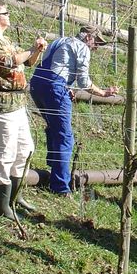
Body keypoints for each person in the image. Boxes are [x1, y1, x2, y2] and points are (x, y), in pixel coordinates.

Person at [0, 0, 47, 219]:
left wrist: (36, 51)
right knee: (5, 153)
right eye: (6, 13)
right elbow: (8, 62)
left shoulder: (3, 39)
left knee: (25, 149)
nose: (9, 16)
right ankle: (0, 203)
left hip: (16, 104)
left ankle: (15, 196)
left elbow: (27, 62)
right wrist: (31, 49)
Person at [29, 26, 119, 195]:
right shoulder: (82, 47)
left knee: (54, 127)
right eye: (96, 42)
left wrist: (65, 85)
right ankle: (60, 187)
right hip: (55, 88)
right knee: (65, 137)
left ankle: (54, 169)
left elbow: (54, 66)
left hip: (37, 84)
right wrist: (103, 93)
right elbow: (84, 81)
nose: (97, 47)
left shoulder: (60, 40)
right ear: (88, 38)